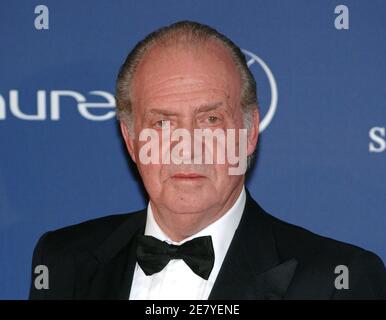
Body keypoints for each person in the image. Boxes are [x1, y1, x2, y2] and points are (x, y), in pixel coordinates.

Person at [29, 20, 386, 300]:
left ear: (248, 133)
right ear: (131, 140)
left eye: (211, 120)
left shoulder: (338, 280)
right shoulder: (64, 261)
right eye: (163, 123)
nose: (187, 147)